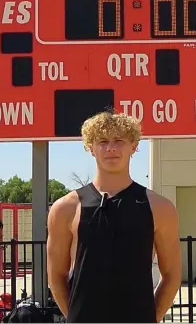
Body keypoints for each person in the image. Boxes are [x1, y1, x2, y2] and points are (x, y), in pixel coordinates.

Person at [47, 111, 182, 323]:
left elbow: (172, 275)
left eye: (119, 140)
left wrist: (150, 318)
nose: (111, 148)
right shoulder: (66, 208)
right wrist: (76, 317)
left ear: (134, 146)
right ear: (90, 148)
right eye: (102, 141)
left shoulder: (159, 207)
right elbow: (56, 276)